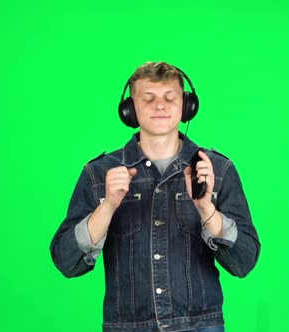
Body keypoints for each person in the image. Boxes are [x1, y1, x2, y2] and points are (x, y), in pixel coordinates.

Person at [50, 61, 261, 332]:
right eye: (148, 98)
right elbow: (66, 263)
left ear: (186, 107)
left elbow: (244, 261)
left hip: (200, 326)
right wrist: (107, 206)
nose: (159, 106)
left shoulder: (217, 170)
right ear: (129, 110)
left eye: (169, 98)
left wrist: (206, 208)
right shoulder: (99, 173)